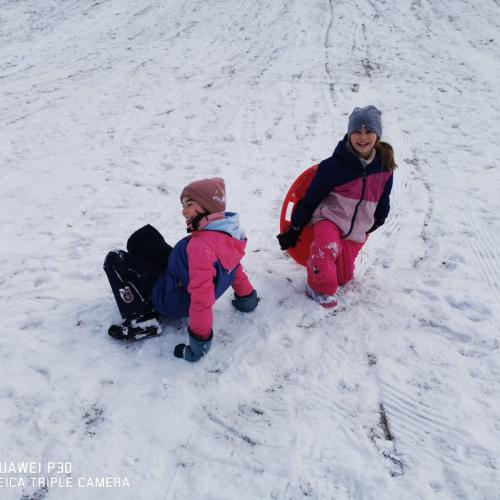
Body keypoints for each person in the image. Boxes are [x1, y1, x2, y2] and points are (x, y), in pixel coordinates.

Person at [103, 177, 259, 362]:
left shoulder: (200, 247)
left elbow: (202, 299)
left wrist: (197, 347)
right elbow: (234, 269)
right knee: (144, 238)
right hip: (180, 278)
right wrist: (246, 298)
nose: (184, 212)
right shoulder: (228, 235)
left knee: (115, 259)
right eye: (183, 205)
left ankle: (143, 320)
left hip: (170, 299)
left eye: (190, 204)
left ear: (207, 206)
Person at [277, 105, 396, 308]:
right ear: (349, 134)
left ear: (378, 135)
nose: (362, 137)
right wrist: (295, 227)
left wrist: (378, 220)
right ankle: (318, 289)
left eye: (369, 131)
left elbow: (383, 199)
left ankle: (330, 277)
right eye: (357, 131)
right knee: (326, 247)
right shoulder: (334, 166)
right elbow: (311, 198)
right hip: (329, 218)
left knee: (343, 278)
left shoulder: (384, 168)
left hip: (357, 228)